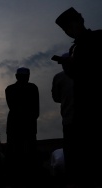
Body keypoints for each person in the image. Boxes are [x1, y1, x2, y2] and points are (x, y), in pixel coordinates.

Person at [55, 7, 102, 187]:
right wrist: (69, 68)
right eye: (65, 29)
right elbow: (78, 75)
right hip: (82, 108)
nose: (68, 31)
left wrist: (76, 66)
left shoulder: (97, 38)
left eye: (69, 26)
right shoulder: (74, 47)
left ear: (79, 21)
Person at [5, 67, 39, 187]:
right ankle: (29, 177)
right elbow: (36, 109)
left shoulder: (10, 89)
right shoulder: (32, 88)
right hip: (27, 123)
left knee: (17, 152)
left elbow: (12, 106)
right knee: (28, 151)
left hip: (16, 123)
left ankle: (17, 178)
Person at [51, 52, 74, 186]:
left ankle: (72, 177)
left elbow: (56, 98)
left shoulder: (59, 77)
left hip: (68, 118)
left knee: (70, 149)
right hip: (73, 118)